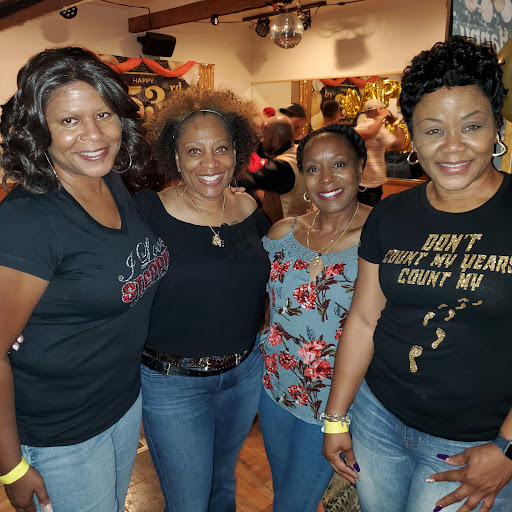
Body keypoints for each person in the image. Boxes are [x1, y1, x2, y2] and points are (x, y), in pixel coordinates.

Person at [323, 37, 512, 512]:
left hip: (475, 444)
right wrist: (336, 417)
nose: (452, 147)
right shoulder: (391, 214)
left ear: (497, 127)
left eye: (472, 126)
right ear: (412, 136)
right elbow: (364, 319)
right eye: (432, 130)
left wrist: (508, 448)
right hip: (377, 421)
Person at [0, 47, 166, 512]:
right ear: (39, 130)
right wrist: (10, 466)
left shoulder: (108, 180)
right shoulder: (28, 221)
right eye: (69, 121)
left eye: (103, 115)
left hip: (120, 404)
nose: (94, 135)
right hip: (61, 434)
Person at [133, 87, 271, 512]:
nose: (210, 163)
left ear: (237, 153)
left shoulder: (250, 210)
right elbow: (97, 268)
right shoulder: (146, 212)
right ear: (175, 159)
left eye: (221, 149)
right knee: (189, 501)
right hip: (172, 383)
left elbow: (278, 275)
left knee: (222, 484)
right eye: (194, 151)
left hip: (243, 374)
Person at [259, 124, 371, 511]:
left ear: (360, 167)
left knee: (291, 504)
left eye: (339, 164)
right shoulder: (282, 234)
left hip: (336, 406)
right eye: (313, 168)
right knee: (285, 494)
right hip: (275, 392)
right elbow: (268, 308)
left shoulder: (382, 237)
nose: (326, 179)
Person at [241, 114, 309, 223]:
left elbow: (248, 180)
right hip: (302, 224)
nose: (262, 140)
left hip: (286, 229)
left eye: (264, 136)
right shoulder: (298, 153)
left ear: (275, 139)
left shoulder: (281, 166)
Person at [355, 98, 406, 206]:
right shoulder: (379, 130)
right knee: (371, 213)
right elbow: (399, 145)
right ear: (379, 110)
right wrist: (396, 123)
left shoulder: (360, 126)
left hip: (358, 181)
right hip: (373, 183)